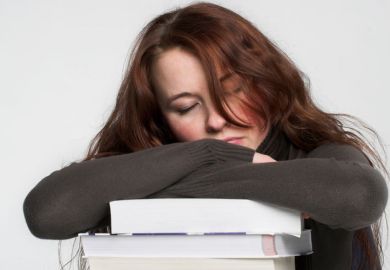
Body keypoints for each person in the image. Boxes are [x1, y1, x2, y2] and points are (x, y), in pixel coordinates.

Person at [23, 2, 388, 270]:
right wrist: (210, 156)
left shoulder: (316, 157)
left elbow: (359, 194)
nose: (216, 120)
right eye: (186, 107)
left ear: (266, 81)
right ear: (159, 117)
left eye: (232, 91)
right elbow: (47, 212)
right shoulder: (151, 163)